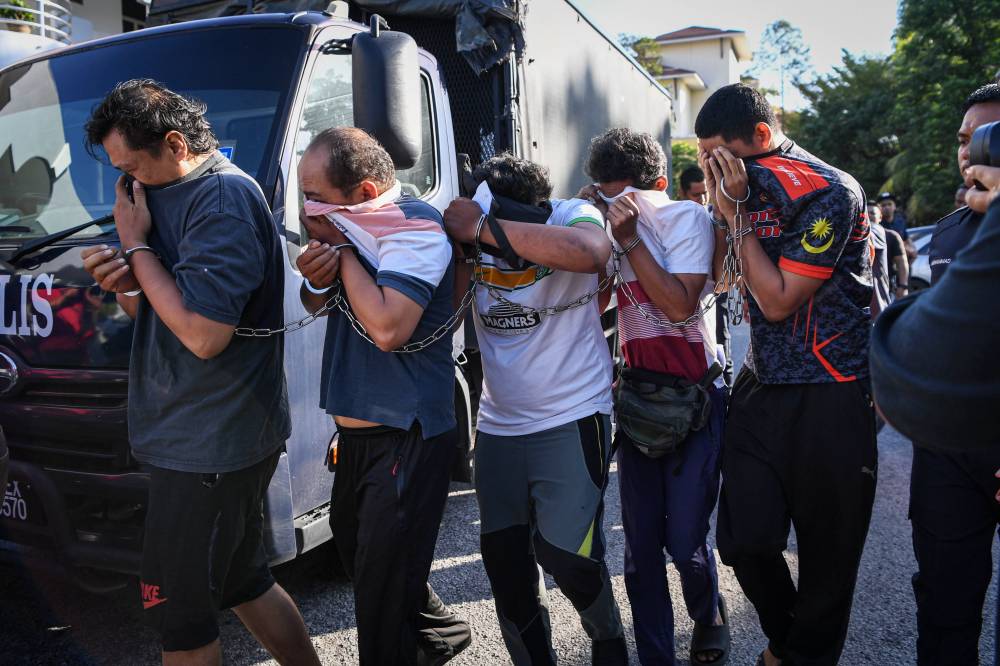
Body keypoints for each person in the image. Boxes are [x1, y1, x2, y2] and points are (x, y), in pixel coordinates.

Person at [80, 80, 318, 666]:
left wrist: (135, 248)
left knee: (176, 614)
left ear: (176, 142)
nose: (127, 179)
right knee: (244, 581)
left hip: (212, 442)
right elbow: (159, 315)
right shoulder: (156, 191)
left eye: (133, 164)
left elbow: (205, 337)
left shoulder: (222, 202)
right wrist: (126, 282)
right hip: (196, 434)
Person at [695, 83, 877, 666]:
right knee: (743, 540)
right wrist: (724, 213)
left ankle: (794, 656)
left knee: (828, 562)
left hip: (832, 390)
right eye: (704, 160)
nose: (713, 170)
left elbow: (776, 301)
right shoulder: (733, 190)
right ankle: (789, 645)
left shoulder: (828, 189)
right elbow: (723, 282)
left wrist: (738, 213)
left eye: (721, 156)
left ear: (762, 138)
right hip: (760, 383)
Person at [294, 127, 470, 666]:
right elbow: (317, 303)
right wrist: (316, 274)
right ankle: (441, 633)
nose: (305, 208)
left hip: (404, 435)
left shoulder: (413, 229)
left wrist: (342, 255)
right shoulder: (350, 229)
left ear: (366, 193)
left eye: (315, 194)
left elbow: (389, 328)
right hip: (356, 434)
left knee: (380, 598)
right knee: (361, 555)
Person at [443, 154, 628, 665]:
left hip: (572, 413)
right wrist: (463, 245)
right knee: (505, 563)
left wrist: (485, 227)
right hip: (500, 424)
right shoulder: (470, 237)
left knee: (567, 556)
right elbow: (449, 315)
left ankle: (608, 641)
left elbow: (593, 252)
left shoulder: (572, 214)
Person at [581, 128, 730, 665]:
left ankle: (708, 611)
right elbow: (589, 301)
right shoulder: (607, 228)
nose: (617, 210)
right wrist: (581, 226)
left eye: (626, 198)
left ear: (659, 187)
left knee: (686, 537)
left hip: (695, 398)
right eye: (604, 196)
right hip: (641, 400)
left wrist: (630, 242)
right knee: (641, 551)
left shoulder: (685, 219)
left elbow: (680, 308)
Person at [896, 82, 1000, 666]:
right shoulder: (950, 230)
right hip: (950, 458)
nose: (970, 149)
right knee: (944, 610)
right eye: (964, 138)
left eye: (988, 137)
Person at [869, 203, 908, 301]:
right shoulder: (855, 237)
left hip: (886, 291)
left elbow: (901, 263)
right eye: (865, 213)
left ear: (880, 217)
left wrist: (903, 286)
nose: (868, 216)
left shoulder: (891, 236)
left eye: (872, 213)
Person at [877, 192, 917, 261]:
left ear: (894, 206)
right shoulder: (877, 224)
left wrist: (913, 250)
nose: (887, 207)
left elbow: (907, 239)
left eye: (889, 204)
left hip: (901, 262)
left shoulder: (900, 222)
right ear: (879, 208)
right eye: (883, 205)